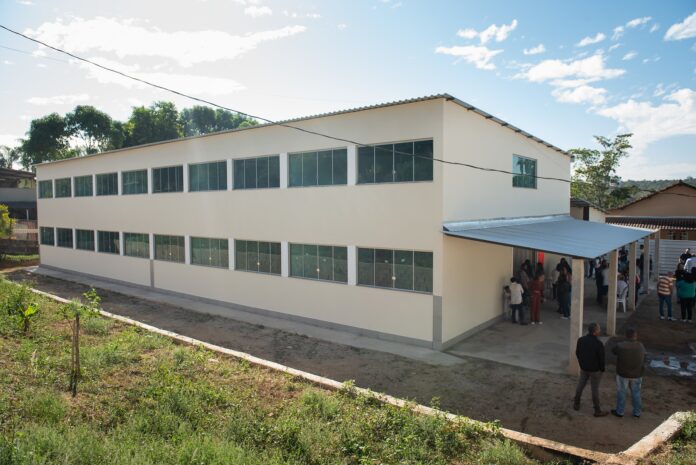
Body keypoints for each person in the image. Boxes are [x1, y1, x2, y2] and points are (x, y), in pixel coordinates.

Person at [574, 322, 609, 417]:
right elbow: (601, 359)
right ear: (595, 331)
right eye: (598, 329)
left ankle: (576, 403)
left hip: (584, 368)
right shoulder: (598, 343)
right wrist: (602, 369)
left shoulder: (581, 340)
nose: (600, 330)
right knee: (594, 389)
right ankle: (597, 410)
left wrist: (582, 363)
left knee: (580, 385)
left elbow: (577, 353)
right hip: (595, 370)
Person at [611, 327, 646, 418]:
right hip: (637, 374)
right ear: (635, 336)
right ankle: (637, 412)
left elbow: (613, 351)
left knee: (622, 392)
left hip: (623, 373)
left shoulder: (620, 345)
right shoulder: (641, 346)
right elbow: (645, 357)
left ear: (626, 336)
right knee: (636, 393)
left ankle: (620, 412)